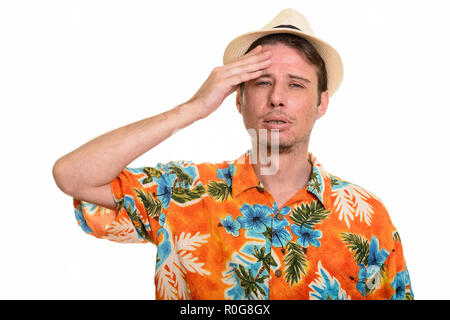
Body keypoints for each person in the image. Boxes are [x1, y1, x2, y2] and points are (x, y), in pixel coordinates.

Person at [52, 8, 413, 300]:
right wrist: (192, 108)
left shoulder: (368, 218)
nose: (277, 97)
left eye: (296, 84)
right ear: (238, 100)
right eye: (262, 82)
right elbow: (73, 175)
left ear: (321, 104)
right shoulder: (183, 191)